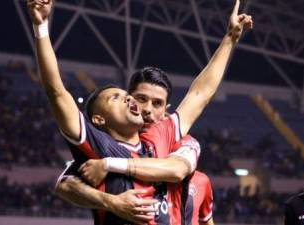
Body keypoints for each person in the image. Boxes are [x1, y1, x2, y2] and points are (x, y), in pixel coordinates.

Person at [26, 0, 252, 224]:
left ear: (166, 109)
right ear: (98, 119)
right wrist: (41, 27)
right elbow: (56, 92)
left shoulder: (162, 137)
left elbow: (199, 95)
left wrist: (230, 38)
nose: (136, 103)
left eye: (156, 103)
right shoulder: (98, 146)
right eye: (122, 97)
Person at [78, 67, 215, 225]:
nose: (147, 110)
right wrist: (111, 201)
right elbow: (65, 184)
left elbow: (179, 169)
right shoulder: (104, 146)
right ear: (128, 99)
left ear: (165, 112)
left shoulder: (185, 144)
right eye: (141, 99)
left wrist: (109, 164)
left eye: (157, 103)